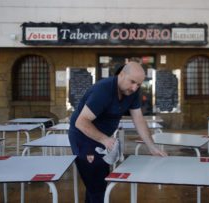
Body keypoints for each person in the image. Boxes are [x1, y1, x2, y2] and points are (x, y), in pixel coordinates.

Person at [68, 61, 167, 203]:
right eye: (132, 82)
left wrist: (151, 147)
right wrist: (105, 140)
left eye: (138, 84)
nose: (134, 88)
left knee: (100, 181)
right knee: (96, 185)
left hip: (102, 137)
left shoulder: (132, 92)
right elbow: (81, 122)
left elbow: (138, 118)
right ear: (121, 74)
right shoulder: (103, 90)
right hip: (83, 136)